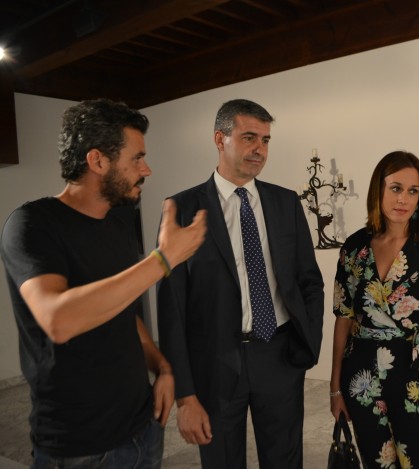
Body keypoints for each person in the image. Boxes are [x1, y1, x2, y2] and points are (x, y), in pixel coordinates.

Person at [0, 98, 207, 468]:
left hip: (142, 429)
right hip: (79, 446)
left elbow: (123, 312)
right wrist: (163, 259)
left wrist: (162, 366)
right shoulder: (31, 224)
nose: (147, 169)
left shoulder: (117, 223)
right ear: (97, 161)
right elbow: (57, 320)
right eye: (136, 158)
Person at [156, 98, 324, 468]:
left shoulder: (285, 203)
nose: (259, 150)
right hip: (214, 364)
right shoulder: (182, 210)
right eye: (249, 138)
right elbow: (172, 312)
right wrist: (186, 396)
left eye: (265, 140)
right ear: (220, 138)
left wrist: (308, 343)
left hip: (279, 355)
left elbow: (310, 281)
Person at [329, 150, 419, 468]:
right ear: (379, 189)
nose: (403, 199)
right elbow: (343, 318)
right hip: (361, 376)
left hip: (417, 374)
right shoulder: (354, 247)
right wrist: (335, 388)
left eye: (412, 191)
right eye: (395, 188)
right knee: (377, 463)